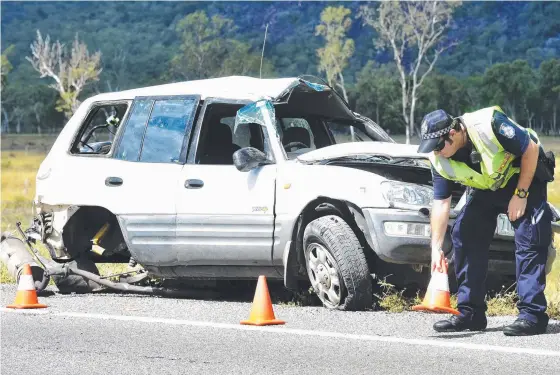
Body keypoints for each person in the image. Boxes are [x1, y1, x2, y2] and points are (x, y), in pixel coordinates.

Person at [417, 106, 555, 336]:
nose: (437, 152)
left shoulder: (489, 124)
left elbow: (530, 148)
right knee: (465, 233)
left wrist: (520, 195)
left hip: (524, 176)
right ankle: (470, 313)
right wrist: (435, 247)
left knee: (529, 237)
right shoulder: (438, 159)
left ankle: (532, 316)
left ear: (453, 133)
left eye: (439, 146)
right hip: (487, 187)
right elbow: (441, 202)